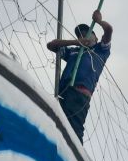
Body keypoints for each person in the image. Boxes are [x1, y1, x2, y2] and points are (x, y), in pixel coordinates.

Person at [46, 9, 113, 138]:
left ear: (96, 37)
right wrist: (76, 43)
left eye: (87, 33)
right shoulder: (74, 51)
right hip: (62, 92)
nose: (84, 36)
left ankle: (74, 155)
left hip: (79, 93)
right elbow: (51, 45)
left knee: (74, 130)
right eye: (80, 35)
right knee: (56, 128)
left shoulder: (100, 50)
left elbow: (109, 30)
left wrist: (98, 21)